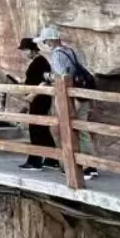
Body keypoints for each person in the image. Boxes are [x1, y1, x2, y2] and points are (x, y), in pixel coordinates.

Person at [37, 25, 98, 180]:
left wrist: (47, 76)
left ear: (51, 40)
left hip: (71, 98)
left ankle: (80, 167)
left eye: (45, 41)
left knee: (70, 130)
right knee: (83, 130)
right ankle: (91, 166)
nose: (45, 44)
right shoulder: (70, 50)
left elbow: (62, 77)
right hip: (82, 94)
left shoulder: (57, 54)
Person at [18, 37, 56, 170]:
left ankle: (35, 161)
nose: (24, 53)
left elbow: (45, 81)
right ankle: (52, 158)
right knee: (42, 128)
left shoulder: (40, 62)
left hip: (40, 98)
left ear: (32, 49)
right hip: (37, 97)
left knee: (35, 128)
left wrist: (32, 95)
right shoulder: (38, 62)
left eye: (25, 50)